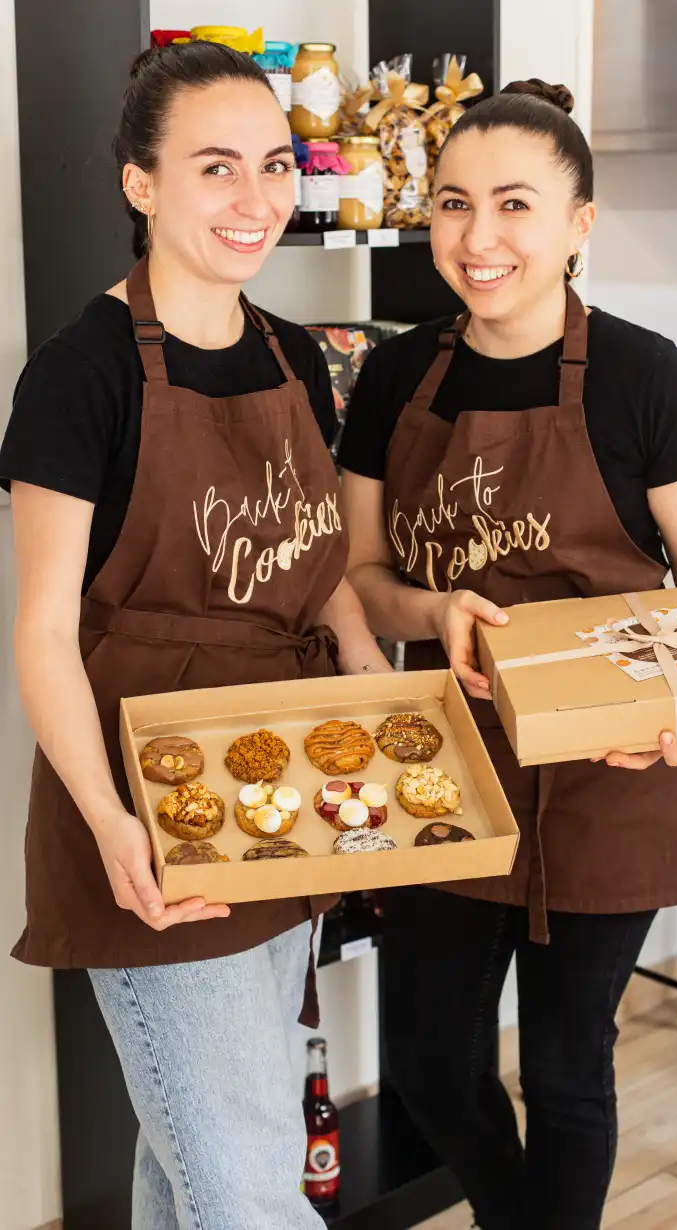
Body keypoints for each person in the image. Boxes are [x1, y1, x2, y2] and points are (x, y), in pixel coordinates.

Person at [338, 79, 677, 1230]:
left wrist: (676, 712)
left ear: (579, 223)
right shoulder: (394, 377)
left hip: (615, 769)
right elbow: (362, 577)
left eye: (514, 205)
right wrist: (432, 609)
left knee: (567, 1068)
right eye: (452, 204)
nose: (478, 237)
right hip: (447, 758)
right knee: (428, 1060)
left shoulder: (646, 380)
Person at [1, 43, 391, 1230]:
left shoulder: (292, 355)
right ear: (141, 184)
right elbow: (43, 634)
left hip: (278, 788)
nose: (254, 198)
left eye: (273, 164)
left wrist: (373, 691)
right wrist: (112, 821)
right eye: (215, 166)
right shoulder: (80, 378)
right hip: (151, 809)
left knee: (196, 1155)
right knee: (246, 1185)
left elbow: (315, 567)